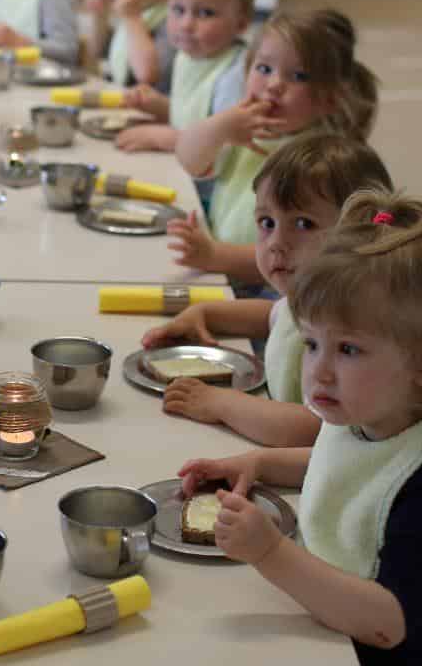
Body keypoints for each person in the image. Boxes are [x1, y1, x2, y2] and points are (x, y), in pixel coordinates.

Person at [179, 190, 422, 666]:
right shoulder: (371, 422)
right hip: (319, 642)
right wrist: (257, 465)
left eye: (347, 349)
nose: (319, 371)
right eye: (312, 343)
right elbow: (338, 464)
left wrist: (271, 553)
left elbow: (388, 622)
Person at [142, 134, 393, 447]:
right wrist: (203, 313)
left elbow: (313, 428)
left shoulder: (353, 321)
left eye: (303, 224)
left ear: (361, 231)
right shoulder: (311, 298)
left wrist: (220, 404)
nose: (276, 243)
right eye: (266, 222)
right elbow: (274, 317)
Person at [171, 9, 379, 289]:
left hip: (275, 292)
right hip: (221, 271)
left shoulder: (318, 162)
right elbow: (188, 158)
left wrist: (216, 255)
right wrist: (220, 127)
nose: (274, 85)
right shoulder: (243, 130)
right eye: (264, 69)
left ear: (330, 99)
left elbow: (291, 257)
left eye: (298, 76)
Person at [113, 0, 255, 167]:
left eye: (206, 13)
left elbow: (227, 148)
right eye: (178, 10)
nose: (186, 24)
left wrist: (163, 138)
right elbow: (193, 117)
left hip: (206, 195)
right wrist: (160, 106)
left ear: (242, 23)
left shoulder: (235, 76)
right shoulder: (187, 57)